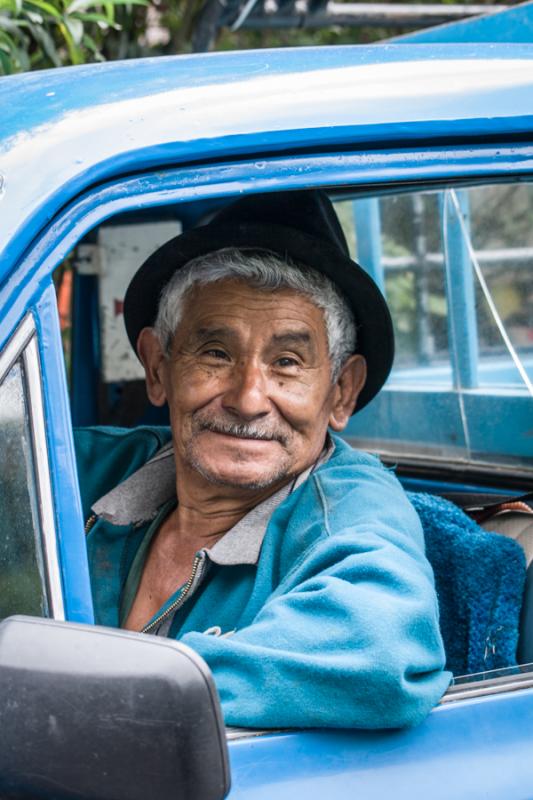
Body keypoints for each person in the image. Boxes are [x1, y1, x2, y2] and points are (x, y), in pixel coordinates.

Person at [75, 190, 451, 729]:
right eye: (216, 353)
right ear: (158, 368)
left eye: (288, 362)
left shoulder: (351, 503)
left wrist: (93, 697)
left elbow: (382, 652)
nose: (248, 398)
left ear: (341, 392)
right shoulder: (96, 466)